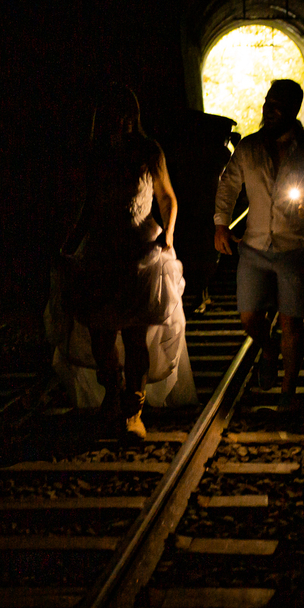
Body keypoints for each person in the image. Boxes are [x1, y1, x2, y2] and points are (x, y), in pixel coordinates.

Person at [45, 84, 197, 440]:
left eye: (130, 114)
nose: (125, 121)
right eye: (118, 114)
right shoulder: (94, 154)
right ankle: (111, 395)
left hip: (139, 252)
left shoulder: (148, 151)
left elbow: (167, 197)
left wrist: (168, 236)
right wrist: (67, 244)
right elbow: (84, 205)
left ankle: (134, 410)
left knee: (134, 336)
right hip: (100, 251)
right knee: (101, 334)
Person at [213, 79, 304, 412]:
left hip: (296, 246)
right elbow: (228, 185)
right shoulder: (249, 148)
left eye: (276, 106)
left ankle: (288, 393)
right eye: (267, 103)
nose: (268, 111)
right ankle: (268, 350)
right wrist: (221, 225)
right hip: (254, 245)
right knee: (249, 317)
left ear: (292, 110)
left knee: (291, 321)